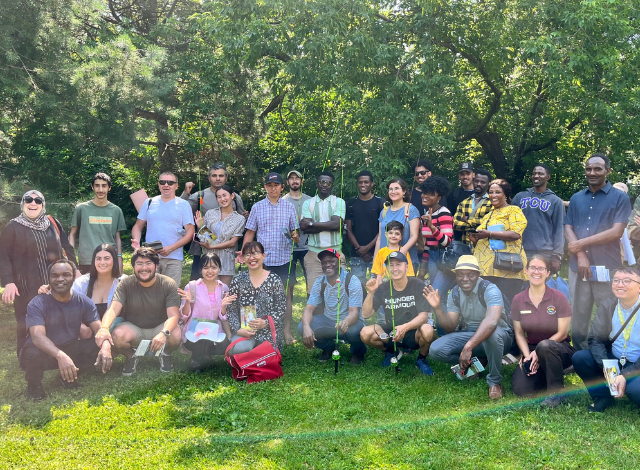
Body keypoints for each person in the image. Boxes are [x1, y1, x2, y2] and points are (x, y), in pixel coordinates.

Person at [564, 154, 631, 350]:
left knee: (608, 309)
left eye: (597, 169)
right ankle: (580, 354)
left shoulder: (620, 198)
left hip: (607, 266)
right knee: (579, 312)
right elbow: (568, 227)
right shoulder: (577, 198)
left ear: (607, 171)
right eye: (588, 169)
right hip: (579, 266)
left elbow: (616, 231)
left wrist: (580, 244)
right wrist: (581, 254)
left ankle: (608, 352)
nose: (592, 173)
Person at [19, 260, 112, 401]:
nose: (60, 279)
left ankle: (68, 376)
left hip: (69, 346)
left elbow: (99, 329)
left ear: (74, 277)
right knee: (33, 353)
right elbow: (37, 337)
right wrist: (61, 356)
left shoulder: (83, 301)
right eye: (55, 275)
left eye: (66, 275)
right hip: (43, 351)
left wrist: (105, 346)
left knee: (96, 346)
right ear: (49, 279)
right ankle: (34, 385)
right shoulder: (37, 303)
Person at [426, 255, 514, 399]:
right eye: (460, 275)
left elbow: (492, 321)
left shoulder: (490, 289)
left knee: (492, 335)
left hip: (500, 336)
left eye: (470, 274)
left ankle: (494, 381)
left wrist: (468, 347)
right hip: (471, 335)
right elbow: (450, 328)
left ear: (478, 275)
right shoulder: (454, 293)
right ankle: (476, 363)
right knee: (435, 350)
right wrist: (437, 308)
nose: (465, 278)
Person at [0, 190, 75, 355]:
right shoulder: (13, 227)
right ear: (23, 203)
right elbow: (2, 256)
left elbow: (67, 247)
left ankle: (57, 351)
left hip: (55, 284)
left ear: (43, 205)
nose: (33, 203)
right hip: (26, 287)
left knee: (57, 319)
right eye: (29, 199)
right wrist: (8, 282)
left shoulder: (52, 223)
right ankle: (26, 356)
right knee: (27, 322)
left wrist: (75, 271)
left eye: (38, 200)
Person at [95, 247, 182, 376]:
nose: (144, 268)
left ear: (156, 266)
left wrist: (164, 333)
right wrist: (104, 328)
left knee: (175, 334)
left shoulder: (168, 284)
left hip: (159, 327)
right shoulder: (125, 284)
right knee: (117, 336)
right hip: (134, 328)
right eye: (139, 264)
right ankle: (131, 356)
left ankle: (165, 354)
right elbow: (113, 308)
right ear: (133, 266)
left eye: (148, 263)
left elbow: (174, 315)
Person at [572, 266, 640, 412]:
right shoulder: (608, 305)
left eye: (627, 281)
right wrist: (607, 367)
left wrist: (625, 375)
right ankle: (603, 397)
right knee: (580, 358)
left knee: (635, 391)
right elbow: (595, 339)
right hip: (614, 358)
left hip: (637, 364)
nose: (620, 284)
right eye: (616, 280)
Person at [511, 255, 574, 407]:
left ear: (547, 273)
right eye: (533, 267)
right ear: (526, 271)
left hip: (559, 348)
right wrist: (527, 356)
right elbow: (519, 333)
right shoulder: (518, 299)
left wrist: (538, 352)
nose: (536, 272)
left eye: (541, 268)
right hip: (532, 349)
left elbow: (563, 333)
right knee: (522, 390)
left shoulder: (559, 297)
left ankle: (556, 394)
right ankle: (550, 374)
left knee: (545, 346)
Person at [242, 172, 299, 343]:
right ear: (265, 187)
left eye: (276, 185)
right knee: (258, 295)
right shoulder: (257, 207)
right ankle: (258, 331)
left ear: (282, 187)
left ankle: (287, 332)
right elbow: (250, 232)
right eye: (269, 185)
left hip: (284, 259)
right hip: (262, 261)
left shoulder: (289, 207)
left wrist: (295, 236)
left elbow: (295, 231)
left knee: (286, 295)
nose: (273, 188)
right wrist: (244, 252)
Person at [361, 251, 436, 375]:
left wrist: (404, 328)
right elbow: (366, 314)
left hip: (414, 332)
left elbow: (423, 317)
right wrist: (371, 292)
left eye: (398, 264)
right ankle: (391, 351)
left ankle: (421, 359)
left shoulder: (418, 284)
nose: (394, 268)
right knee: (365, 333)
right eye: (391, 265)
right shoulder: (383, 288)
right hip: (391, 332)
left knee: (428, 330)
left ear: (406, 267)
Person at [299, 249, 366, 364]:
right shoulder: (320, 282)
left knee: (354, 331)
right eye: (324, 263)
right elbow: (309, 309)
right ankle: (328, 348)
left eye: (331, 261)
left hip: (350, 322)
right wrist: (306, 327)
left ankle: (358, 353)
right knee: (301, 326)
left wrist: (345, 322)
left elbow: (354, 312)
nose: (327, 265)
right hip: (328, 321)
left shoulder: (352, 280)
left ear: (339, 261)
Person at [181, 163, 247, 280]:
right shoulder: (199, 195)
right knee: (200, 286)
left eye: (221, 176)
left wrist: (246, 216)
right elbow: (180, 211)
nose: (217, 178)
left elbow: (241, 220)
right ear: (209, 178)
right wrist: (186, 193)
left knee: (223, 289)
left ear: (226, 178)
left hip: (227, 252)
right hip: (203, 247)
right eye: (214, 175)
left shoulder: (236, 197)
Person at [131, 171, 195, 286]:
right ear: (158, 184)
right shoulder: (149, 202)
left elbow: (190, 232)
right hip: (150, 257)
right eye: (162, 182)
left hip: (173, 259)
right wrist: (136, 241)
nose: (166, 185)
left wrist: (171, 248)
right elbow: (137, 226)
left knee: (171, 295)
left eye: (170, 182)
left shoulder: (184, 205)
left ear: (176, 185)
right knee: (148, 294)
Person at [469, 179, 528, 302]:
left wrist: (489, 233)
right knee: (488, 304)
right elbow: (484, 237)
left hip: (506, 269)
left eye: (497, 192)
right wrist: (475, 239)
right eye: (491, 192)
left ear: (505, 195)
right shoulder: (489, 214)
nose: (493, 195)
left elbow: (516, 234)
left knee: (505, 305)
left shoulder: (513, 210)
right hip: (486, 269)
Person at [226, 242, 286, 353]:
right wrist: (239, 329)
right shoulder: (238, 280)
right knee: (240, 348)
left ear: (263, 256)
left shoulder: (274, 279)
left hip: (268, 332)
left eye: (256, 253)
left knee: (265, 358)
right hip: (245, 331)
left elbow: (281, 308)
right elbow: (231, 309)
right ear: (243, 258)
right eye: (247, 254)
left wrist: (266, 322)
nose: (251, 258)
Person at [178, 253, 234, 372]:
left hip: (214, 331)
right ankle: (196, 359)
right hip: (194, 331)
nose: (210, 271)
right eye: (206, 267)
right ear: (200, 269)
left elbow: (223, 317)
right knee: (201, 340)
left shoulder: (223, 288)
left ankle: (205, 356)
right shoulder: (192, 287)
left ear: (219, 269)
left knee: (225, 344)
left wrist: (223, 307)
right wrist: (187, 303)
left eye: (214, 267)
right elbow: (183, 316)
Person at [69, 172, 127, 275]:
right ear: (92, 187)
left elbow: (117, 237)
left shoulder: (116, 210)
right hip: (87, 259)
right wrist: (71, 260)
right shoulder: (81, 208)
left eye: (104, 186)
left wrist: (119, 259)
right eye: (97, 186)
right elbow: (72, 234)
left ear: (109, 188)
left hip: (109, 260)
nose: (100, 190)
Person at [511, 164, 565, 274]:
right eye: (534, 173)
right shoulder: (520, 197)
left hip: (545, 252)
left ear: (548, 177)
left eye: (540, 174)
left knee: (540, 286)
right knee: (520, 287)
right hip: (520, 250)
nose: (536, 176)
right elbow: (510, 224)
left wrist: (556, 256)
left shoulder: (555, 201)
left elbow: (560, 229)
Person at [300, 171, 347, 295]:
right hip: (314, 255)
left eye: (328, 182)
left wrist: (312, 223)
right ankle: (317, 315)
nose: (324, 185)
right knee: (314, 293)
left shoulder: (339, 202)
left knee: (339, 293)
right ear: (317, 184)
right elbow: (305, 228)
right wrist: (330, 225)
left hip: (335, 253)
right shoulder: (307, 203)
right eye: (322, 182)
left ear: (332, 185)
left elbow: (337, 225)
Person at [417, 176, 455, 313]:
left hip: (445, 258)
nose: (425, 196)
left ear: (439, 197)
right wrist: (422, 268)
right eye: (424, 192)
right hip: (432, 256)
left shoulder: (444, 213)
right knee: (436, 297)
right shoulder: (428, 213)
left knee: (437, 296)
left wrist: (432, 227)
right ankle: (441, 331)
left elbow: (447, 242)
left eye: (431, 194)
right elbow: (428, 244)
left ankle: (445, 330)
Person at [69, 244, 126, 336]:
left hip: (114, 331)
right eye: (98, 259)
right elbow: (66, 297)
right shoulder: (82, 282)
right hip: (87, 333)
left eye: (106, 258)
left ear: (114, 261)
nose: (102, 262)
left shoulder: (122, 282)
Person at [197, 185, 246, 287]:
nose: (222, 199)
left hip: (226, 260)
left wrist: (212, 246)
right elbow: (206, 236)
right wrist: (200, 227)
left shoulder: (239, 218)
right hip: (208, 259)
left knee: (223, 294)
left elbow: (232, 242)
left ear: (232, 195)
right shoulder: (210, 213)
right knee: (209, 293)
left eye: (225, 195)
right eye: (219, 197)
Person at [282, 170, 311, 339]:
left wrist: (306, 223)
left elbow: (316, 221)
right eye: (291, 178)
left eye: (297, 178)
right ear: (287, 182)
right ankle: (288, 331)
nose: (294, 181)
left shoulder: (309, 200)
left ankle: (311, 324)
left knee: (311, 286)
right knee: (289, 288)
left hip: (308, 247)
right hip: (289, 249)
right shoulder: (283, 201)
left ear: (302, 180)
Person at [346, 170, 385, 286]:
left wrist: (367, 248)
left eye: (366, 182)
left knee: (378, 288)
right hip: (356, 254)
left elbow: (383, 229)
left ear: (372, 184)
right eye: (360, 182)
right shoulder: (351, 203)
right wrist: (360, 249)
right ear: (357, 184)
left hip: (376, 254)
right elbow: (348, 229)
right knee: (357, 289)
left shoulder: (380, 202)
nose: (363, 185)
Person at [375, 178, 421, 270]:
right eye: (391, 189)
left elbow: (414, 236)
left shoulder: (411, 209)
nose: (393, 191)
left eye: (396, 188)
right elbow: (380, 238)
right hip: (385, 261)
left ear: (404, 191)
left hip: (405, 261)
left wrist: (400, 253)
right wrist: (376, 260)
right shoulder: (384, 211)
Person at [452, 168, 493, 245]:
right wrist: (478, 227)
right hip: (465, 246)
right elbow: (455, 224)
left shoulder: (492, 202)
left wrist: (467, 219)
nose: (479, 184)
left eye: (483, 182)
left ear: (488, 184)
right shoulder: (464, 203)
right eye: (476, 181)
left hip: (485, 248)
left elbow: (490, 224)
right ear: (473, 181)